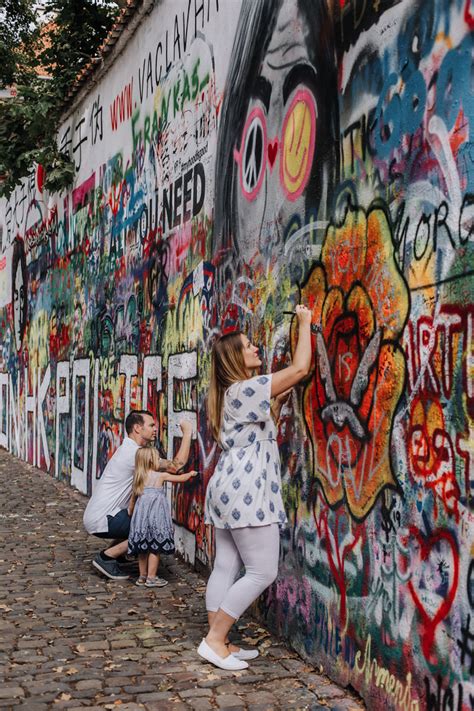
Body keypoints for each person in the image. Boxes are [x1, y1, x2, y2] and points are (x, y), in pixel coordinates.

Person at [198, 304, 312, 671]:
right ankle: (215, 641)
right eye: (249, 346)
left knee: (226, 565)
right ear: (235, 358)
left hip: (227, 489)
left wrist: (277, 402)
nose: (256, 349)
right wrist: (306, 322)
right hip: (246, 491)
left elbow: (259, 428)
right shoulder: (243, 390)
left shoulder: (231, 394)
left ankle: (220, 639)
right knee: (263, 571)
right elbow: (300, 369)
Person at [83, 409, 193, 579]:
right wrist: (187, 433)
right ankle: (106, 557)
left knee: (142, 514)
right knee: (151, 528)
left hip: (103, 515)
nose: (155, 429)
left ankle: (118, 554)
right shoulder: (134, 454)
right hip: (103, 519)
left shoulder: (130, 450)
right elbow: (175, 466)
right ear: (137, 428)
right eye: (151, 425)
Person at [128, 447, 198, 587]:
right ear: (150, 460)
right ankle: (152, 578)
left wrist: (131, 511)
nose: (159, 461)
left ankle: (142, 577)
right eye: (157, 458)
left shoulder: (139, 477)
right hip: (155, 517)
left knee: (142, 548)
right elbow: (180, 478)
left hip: (141, 519)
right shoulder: (160, 476)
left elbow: (133, 499)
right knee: (155, 546)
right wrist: (190, 473)